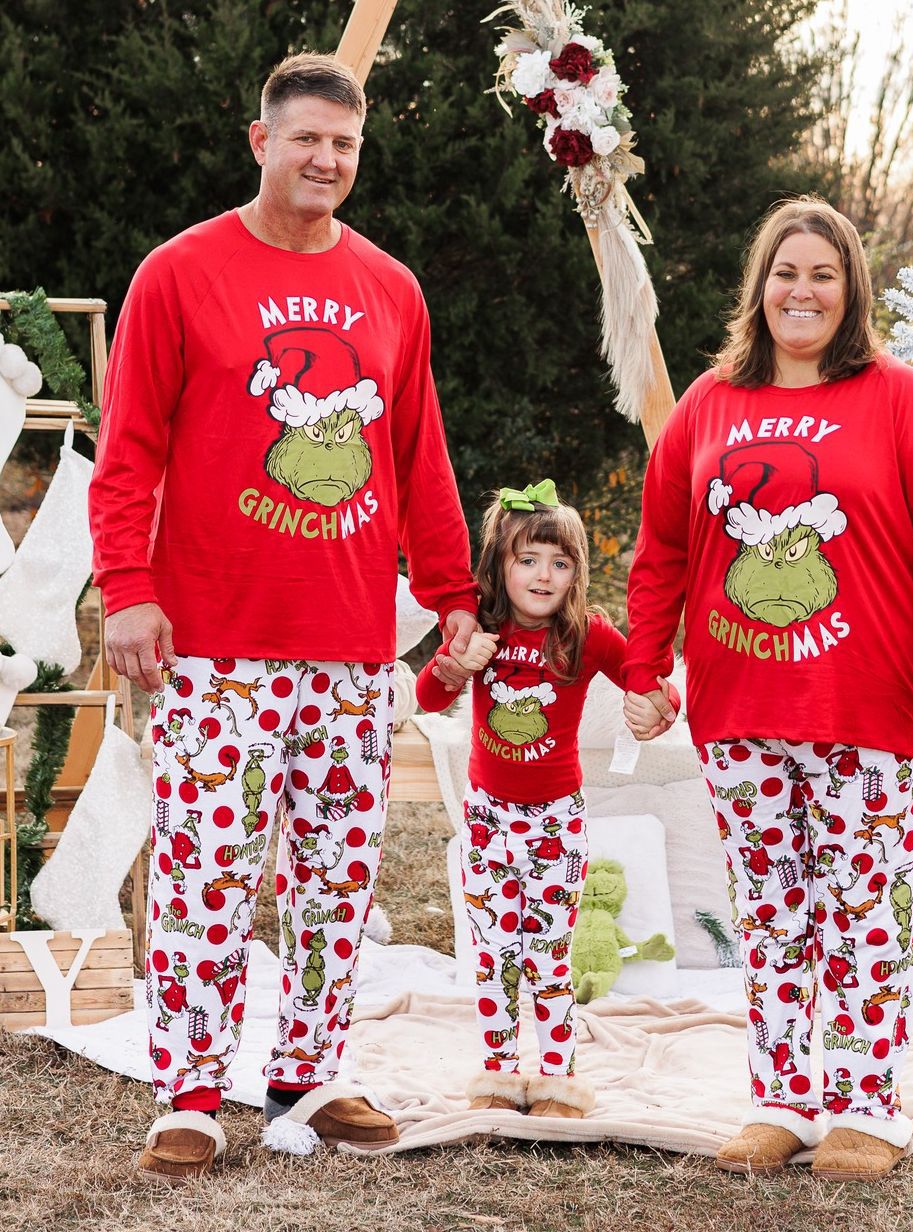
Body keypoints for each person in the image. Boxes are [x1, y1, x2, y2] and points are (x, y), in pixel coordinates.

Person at [88, 52, 479, 1181]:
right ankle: (193, 1090)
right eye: (306, 138)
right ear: (260, 142)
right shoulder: (180, 273)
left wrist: (451, 595)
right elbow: (131, 453)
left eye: (345, 145)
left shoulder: (391, 289)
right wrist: (129, 586)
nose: (326, 160)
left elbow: (419, 459)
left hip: (352, 641)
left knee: (334, 872)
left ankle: (309, 1069)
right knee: (210, 865)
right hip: (211, 637)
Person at [622, 198, 913, 1182]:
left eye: (823, 274)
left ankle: (867, 1100)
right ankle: (784, 1094)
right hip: (742, 711)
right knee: (773, 904)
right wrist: (646, 663)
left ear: (850, 291)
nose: (803, 290)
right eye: (786, 272)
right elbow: (662, 545)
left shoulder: (898, 398)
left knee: (864, 902)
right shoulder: (708, 404)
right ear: (761, 288)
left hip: (870, 712)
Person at [416, 480, 675, 1118]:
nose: (543, 574)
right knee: (496, 950)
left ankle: (558, 1080)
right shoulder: (480, 628)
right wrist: (458, 661)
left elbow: (648, 678)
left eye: (560, 563)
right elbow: (426, 697)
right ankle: (501, 1076)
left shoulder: (585, 635)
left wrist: (659, 707)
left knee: (548, 954)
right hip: (487, 819)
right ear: (499, 564)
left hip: (556, 821)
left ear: (576, 574)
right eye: (527, 559)